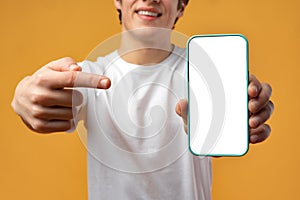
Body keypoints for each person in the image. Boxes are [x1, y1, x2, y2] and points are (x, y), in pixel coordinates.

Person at [11, 0, 274, 199]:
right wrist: (23, 93)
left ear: (181, 5)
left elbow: (220, 140)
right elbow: (49, 98)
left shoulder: (205, 74)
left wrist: (240, 116)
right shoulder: (89, 75)